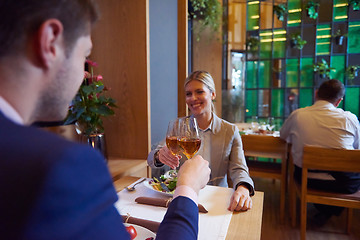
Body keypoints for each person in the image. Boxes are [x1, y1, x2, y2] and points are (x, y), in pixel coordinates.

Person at [0, 1, 210, 239]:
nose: (83, 75)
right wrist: (187, 189)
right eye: (84, 56)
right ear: (50, 42)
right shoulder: (62, 166)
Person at [148, 70, 254, 212]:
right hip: (183, 199)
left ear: (213, 94)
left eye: (199, 92)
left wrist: (243, 188)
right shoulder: (179, 127)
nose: (193, 98)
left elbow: (239, 169)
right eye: (188, 94)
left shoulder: (230, 130)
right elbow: (151, 158)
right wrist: (159, 156)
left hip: (216, 201)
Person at [280, 79, 360, 219]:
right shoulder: (350, 119)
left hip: (307, 179)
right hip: (343, 184)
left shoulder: (298, 115)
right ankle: (328, 211)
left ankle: (324, 210)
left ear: (316, 93)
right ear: (339, 101)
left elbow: (283, 136)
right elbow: (357, 149)